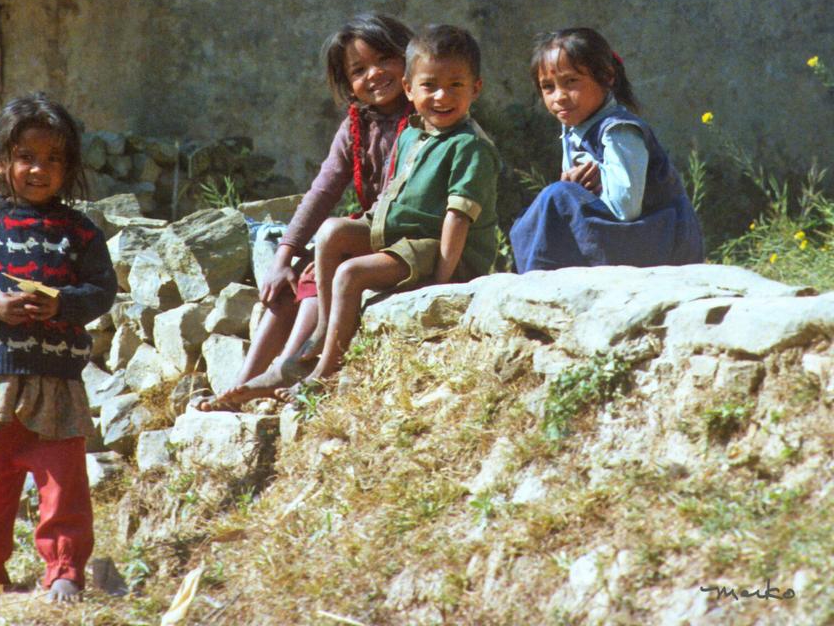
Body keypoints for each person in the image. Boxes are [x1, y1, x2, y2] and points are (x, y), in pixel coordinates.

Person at [0, 93, 117, 605]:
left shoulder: (80, 234)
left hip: (55, 381)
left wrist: (60, 305)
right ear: (1, 161)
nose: (39, 169)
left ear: (70, 167)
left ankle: (63, 569)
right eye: (26, 157)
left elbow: (101, 292)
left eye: (53, 159)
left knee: (63, 487)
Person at [198, 12, 414, 411]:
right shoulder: (357, 126)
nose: (375, 74)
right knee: (286, 282)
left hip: (404, 234)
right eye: (359, 69)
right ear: (346, 83)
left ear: (409, 57)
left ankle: (293, 363)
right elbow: (322, 191)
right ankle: (242, 384)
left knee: (321, 267)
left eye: (385, 59)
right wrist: (282, 257)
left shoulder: (423, 118)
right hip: (369, 233)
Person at [286, 24, 499, 392]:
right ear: (409, 89)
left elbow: (456, 220)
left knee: (350, 274)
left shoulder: (470, 147)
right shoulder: (413, 132)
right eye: (429, 85)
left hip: (441, 249)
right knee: (331, 232)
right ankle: (322, 328)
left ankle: (326, 372)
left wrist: (440, 282)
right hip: (401, 238)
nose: (441, 96)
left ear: (475, 88)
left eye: (456, 85)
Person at [509, 27, 704, 271]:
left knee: (556, 197)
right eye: (548, 87)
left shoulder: (619, 131)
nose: (558, 96)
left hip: (663, 240)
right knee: (529, 220)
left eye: (571, 81)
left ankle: (536, 285)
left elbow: (625, 209)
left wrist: (578, 190)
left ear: (607, 76)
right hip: (635, 238)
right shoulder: (573, 129)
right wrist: (573, 188)